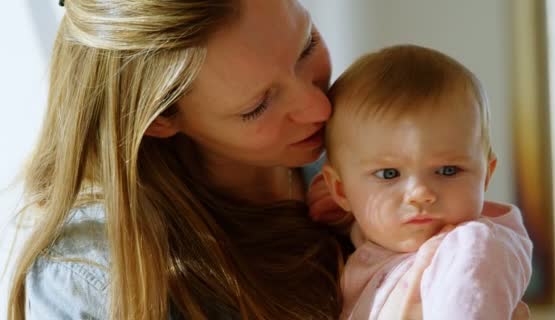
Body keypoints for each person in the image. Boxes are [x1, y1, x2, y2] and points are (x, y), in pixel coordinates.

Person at [7, 0, 346, 319]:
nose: (320, 107)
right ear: (160, 119)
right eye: (257, 107)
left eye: (307, 46)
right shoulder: (91, 279)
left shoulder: (360, 137)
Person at [319, 45, 534, 319]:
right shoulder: (368, 246)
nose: (420, 194)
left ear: (486, 176)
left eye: (447, 170)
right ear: (340, 189)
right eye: (389, 174)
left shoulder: (471, 251)